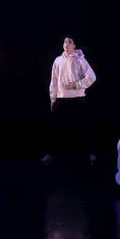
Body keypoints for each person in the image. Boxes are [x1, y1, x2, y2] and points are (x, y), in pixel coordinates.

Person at [42, 37, 97, 165]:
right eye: (65, 42)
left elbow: (92, 77)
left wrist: (77, 85)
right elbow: (53, 80)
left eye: (69, 42)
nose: (66, 44)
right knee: (54, 128)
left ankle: (91, 154)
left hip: (78, 99)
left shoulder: (80, 59)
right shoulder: (58, 60)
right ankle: (50, 155)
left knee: (85, 127)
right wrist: (53, 99)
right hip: (61, 99)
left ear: (74, 45)